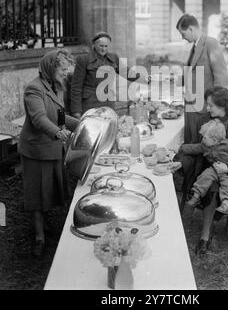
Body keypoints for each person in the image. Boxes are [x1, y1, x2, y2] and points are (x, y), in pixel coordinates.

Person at [18, 50, 80, 257]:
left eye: (66, 70)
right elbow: (39, 119)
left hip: (53, 147)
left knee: (49, 188)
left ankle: (45, 224)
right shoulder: (33, 89)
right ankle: (38, 237)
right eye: (62, 69)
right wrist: (59, 133)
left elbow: (61, 116)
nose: (65, 73)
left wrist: (84, 124)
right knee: (36, 193)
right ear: (50, 67)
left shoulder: (57, 87)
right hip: (36, 149)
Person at [180, 86, 228, 254]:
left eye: (210, 105)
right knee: (212, 189)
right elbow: (199, 147)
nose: (207, 108)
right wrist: (180, 160)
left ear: (223, 106)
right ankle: (205, 236)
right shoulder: (206, 121)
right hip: (209, 168)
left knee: (227, 189)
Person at [176, 14, 228, 144]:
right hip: (191, 110)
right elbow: (188, 77)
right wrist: (164, 81)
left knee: (203, 150)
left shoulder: (211, 44)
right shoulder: (194, 47)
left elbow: (221, 79)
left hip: (204, 110)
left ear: (191, 29)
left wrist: (217, 111)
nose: (182, 38)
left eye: (183, 34)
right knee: (190, 148)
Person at [70, 32, 149, 119]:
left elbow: (128, 73)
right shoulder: (84, 60)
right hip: (91, 104)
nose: (104, 49)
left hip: (108, 104)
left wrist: (146, 79)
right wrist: (76, 111)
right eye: (101, 46)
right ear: (94, 45)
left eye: (106, 46)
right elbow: (76, 86)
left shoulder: (113, 58)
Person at [182, 118, 228, 215]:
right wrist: (182, 148)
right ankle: (195, 197)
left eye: (204, 138)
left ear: (214, 140)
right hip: (214, 169)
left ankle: (226, 204)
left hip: (227, 172)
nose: (202, 139)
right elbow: (194, 148)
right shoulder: (205, 146)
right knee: (204, 176)